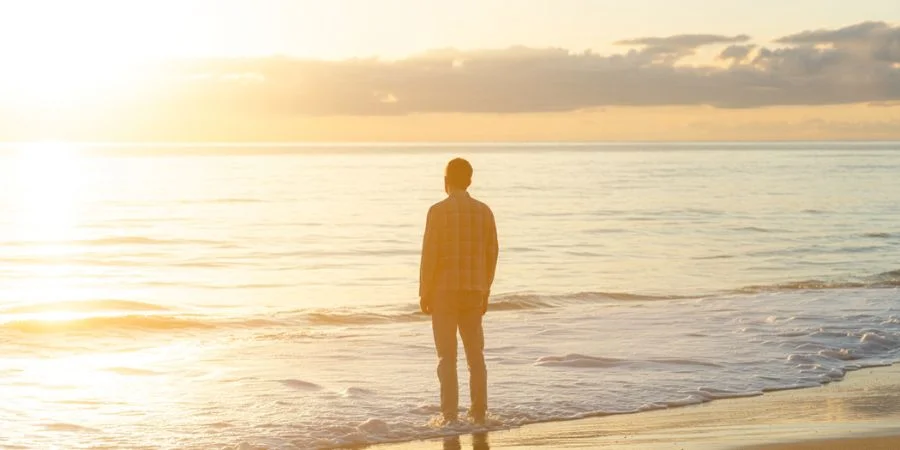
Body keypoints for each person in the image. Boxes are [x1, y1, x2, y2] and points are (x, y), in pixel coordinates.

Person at [419, 158, 499, 425]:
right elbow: (492, 254)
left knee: (447, 356)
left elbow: (430, 254)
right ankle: (479, 413)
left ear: (446, 182)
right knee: (475, 356)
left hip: (444, 292)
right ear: (470, 181)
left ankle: (450, 416)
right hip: (474, 292)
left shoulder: (437, 211)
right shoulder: (484, 212)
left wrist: (424, 291)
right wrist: (485, 289)